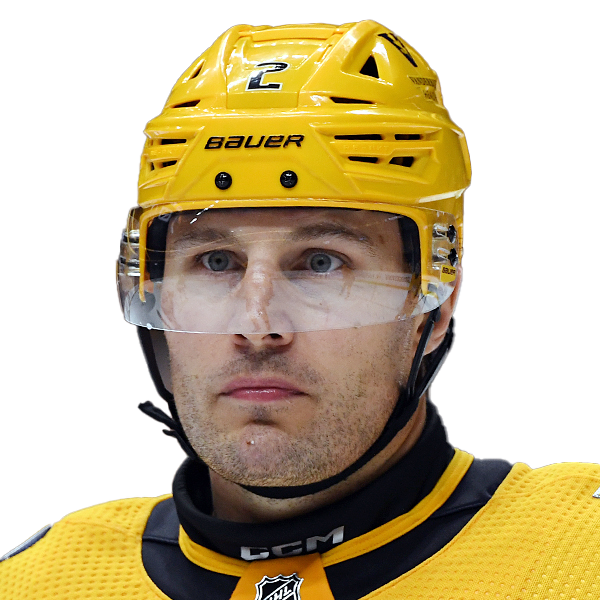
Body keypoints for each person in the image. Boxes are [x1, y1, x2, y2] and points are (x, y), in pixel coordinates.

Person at [2, 19, 600, 600]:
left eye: (321, 263)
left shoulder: (580, 554)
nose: (257, 324)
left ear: (435, 307)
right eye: (215, 262)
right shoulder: (42, 584)